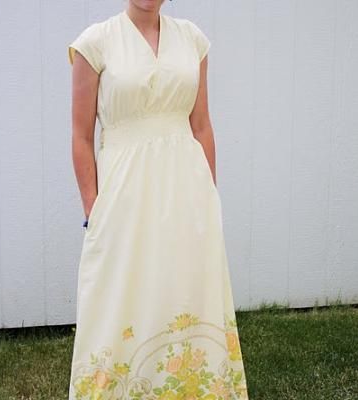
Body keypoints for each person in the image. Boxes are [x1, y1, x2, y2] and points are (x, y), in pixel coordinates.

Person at [67, 1, 249, 399]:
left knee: (183, 287)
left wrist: (209, 198)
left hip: (187, 192)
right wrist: (93, 209)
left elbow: (201, 125)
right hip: (124, 196)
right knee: (120, 295)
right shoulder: (94, 44)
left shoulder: (193, 40)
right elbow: (81, 136)